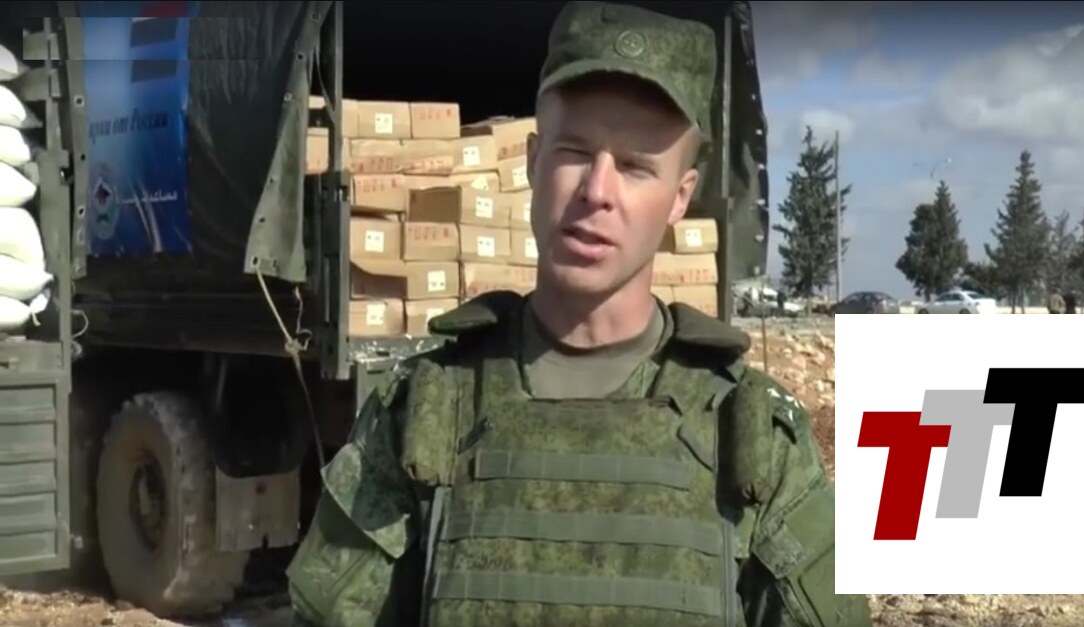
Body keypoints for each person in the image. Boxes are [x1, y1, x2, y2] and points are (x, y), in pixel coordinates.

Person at [286, 2, 870, 626]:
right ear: (533, 162)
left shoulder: (750, 436)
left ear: (680, 199)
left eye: (636, 167)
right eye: (574, 152)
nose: (596, 190)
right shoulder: (422, 414)